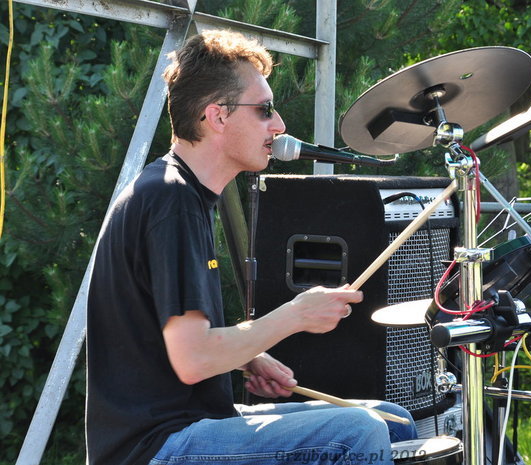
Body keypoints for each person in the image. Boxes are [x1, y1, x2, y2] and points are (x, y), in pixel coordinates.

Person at [85, 29, 416, 465]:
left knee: (392, 421)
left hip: (190, 424)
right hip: (155, 447)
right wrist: (294, 315)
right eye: (264, 110)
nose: (279, 125)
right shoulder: (171, 200)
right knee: (358, 432)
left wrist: (248, 355)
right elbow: (193, 359)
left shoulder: (180, 193)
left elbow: (171, 345)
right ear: (217, 116)